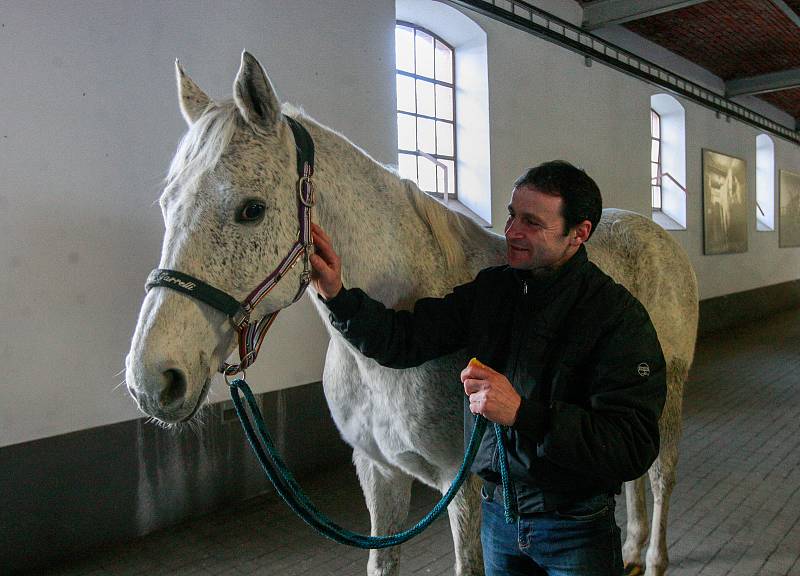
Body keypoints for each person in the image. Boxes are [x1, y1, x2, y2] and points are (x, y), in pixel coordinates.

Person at [309, 160, 666, 576]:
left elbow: (631, 445)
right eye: (513, 215)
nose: (512, 232)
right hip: (499, 522)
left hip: (574, 529)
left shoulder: (618, 318)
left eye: (532, 222)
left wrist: (522, 414)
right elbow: (404, 339)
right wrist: (337, 296)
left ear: (579, 233)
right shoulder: (493, 290)